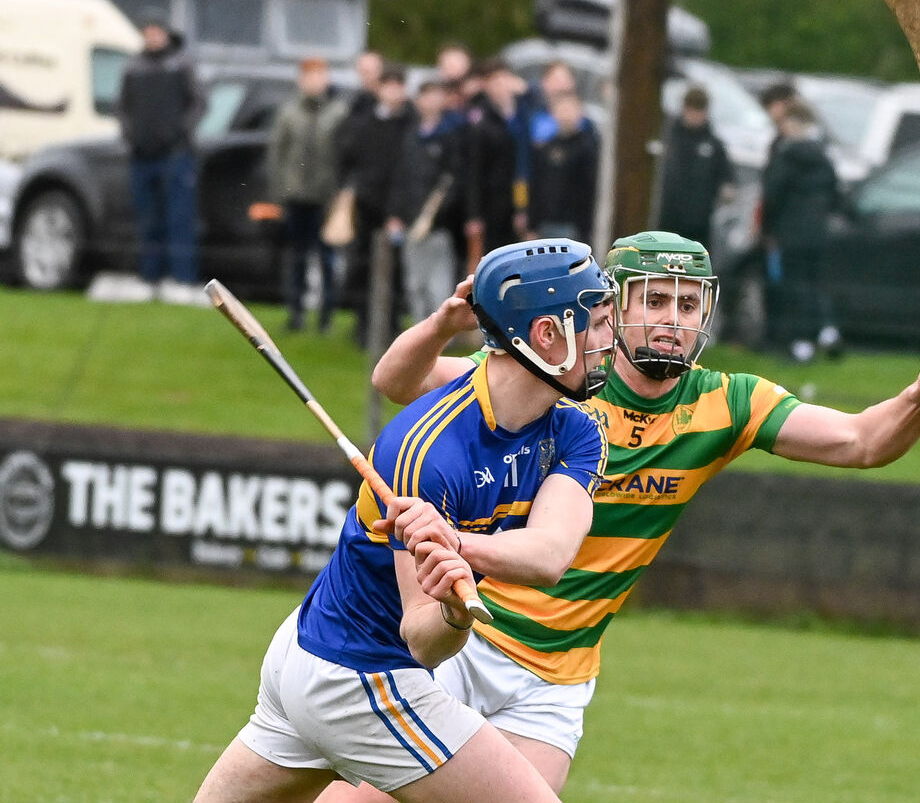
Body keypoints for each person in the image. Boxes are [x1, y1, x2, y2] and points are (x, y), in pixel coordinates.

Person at [319, 230, 920, 801]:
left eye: (688, 305)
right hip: (471, 638)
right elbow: (399, 382)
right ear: (615, 307)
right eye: (655, 300)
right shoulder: (556, 378)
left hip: (559, 674)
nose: (673, 319)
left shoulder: (728, 403)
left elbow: (862, 442)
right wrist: (443, 324)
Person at [193, 238, 616, 803]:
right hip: (359, 673)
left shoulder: (575, 430)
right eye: (598, 322)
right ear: (547, 335)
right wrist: (451, 612)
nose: (611, 340)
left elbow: (549, 556)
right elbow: (422, 640)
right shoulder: (427, 452)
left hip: (316, 651)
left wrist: (456, 551)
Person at [116, 7, 206, 305]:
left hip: (175, 155)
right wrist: (131, 135)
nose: (152, 36)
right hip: (142, 155)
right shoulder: (134, 67)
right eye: (148, 31)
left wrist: (179, 131)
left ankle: (181, 280)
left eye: (157, 31)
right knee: (147, 219)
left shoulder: (182, 64)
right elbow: (122, 107)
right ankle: (149, 278)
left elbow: (198, 103)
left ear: (166, 33)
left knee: (178, 219)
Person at [266, 57, 348, 332]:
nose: (314, 82)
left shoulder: (338, 113)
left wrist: (340, 197)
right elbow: (277, 154)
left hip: (327, 199)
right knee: (297, 258)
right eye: (309, 76)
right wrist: (279, 193)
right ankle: (296, 315)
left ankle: (326, 318)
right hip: (296, 197)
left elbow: (344, 157)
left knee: (327, 260)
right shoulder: (288, 112)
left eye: (319, 76)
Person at [761, 98, 843, 363]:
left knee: (795, 287)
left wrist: (767, 229)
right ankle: (828, 331)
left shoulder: (786, 156)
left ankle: (801, 343)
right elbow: (834, 193)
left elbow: (772, 195)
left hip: (792, 232)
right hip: (819, 232)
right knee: (817, 284)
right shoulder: (822, 157)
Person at [341, 63, 416, 344]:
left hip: (398, 210)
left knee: (395, 269)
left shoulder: (411, 123)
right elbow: (350, 160)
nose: (394, 92)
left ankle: (392, 324)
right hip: (367, 207)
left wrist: (398, 209)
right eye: (389, 86)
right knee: (363, 265)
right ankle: (364, 323)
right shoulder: (364, 123)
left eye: (399, 86)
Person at [391, 80, 464, 323]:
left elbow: (454, 183)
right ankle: (418, 331)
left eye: (436, 96)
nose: (431, 102)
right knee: (414, 284)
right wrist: (397, 215)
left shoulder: (451, 137)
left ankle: (439, 333)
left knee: (438, 285)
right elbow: (400, 178)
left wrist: (435, 217)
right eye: (426, 96)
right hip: (412, 225)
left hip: (438, 228)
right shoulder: (411, 136)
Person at [655, 86, 734, 251]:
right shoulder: (668, 138)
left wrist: (727, 191)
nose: (695, 116)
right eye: (692, 110)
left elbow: (727, 178)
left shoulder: (713, 145)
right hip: (666, 220)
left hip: (698, 225)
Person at [464, 57, 523, 270]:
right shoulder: (481, 120)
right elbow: (474, 171)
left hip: (517, 201)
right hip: (492, 205)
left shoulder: (521, 113)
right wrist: (474, 214)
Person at [527, 92, 599, 243]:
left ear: (580, 112)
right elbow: (536, 186)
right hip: (547, 223)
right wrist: (531, 224)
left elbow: (590, 189)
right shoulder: (546, 147)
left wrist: (587, 227)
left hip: (576, 225)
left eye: (570, 108)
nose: (566, 114)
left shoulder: (589, 147)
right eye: (561, 109)